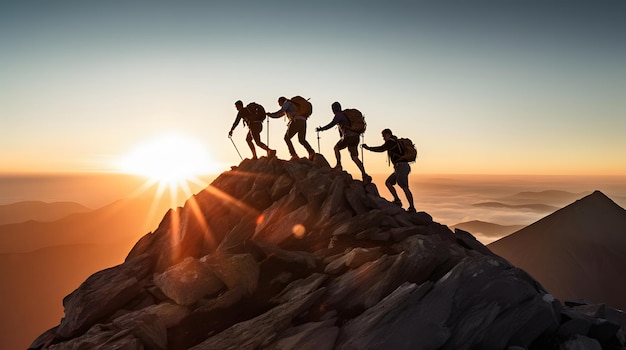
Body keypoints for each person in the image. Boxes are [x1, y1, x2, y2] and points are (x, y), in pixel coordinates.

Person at [316, 102, 371, 183]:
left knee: (336, 148)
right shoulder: (345, 115)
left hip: (348, 137)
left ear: (334, 109)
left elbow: (331, 124)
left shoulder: (339, 115)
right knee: (355, 157)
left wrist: (321, 129)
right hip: (356, 137)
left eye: (333, 109)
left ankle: (338, 165)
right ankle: (364, 174)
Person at [363, 128, 416, 213]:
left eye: (384, 136)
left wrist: (369, 148)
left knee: (404, 187)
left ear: (388, 134)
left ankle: (412, 208)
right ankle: (397, 200)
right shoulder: (394, 141)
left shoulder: (391, 142)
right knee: (389, 182)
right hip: (400, 167)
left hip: (401, 166)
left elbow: (381, 148)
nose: (383, 138)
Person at [266, 96, 316, 161]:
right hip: (303, 121)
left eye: (279, 103)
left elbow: (280, 112)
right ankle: (311, 152)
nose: (279, 105)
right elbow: (280, 115)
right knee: (302, 139)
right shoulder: (292, 104)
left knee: (286, 138)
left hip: (296, 121)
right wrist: (271, 115)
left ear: (281, 101)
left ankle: (294, 155)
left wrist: (271, 114)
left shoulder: (287, 103)